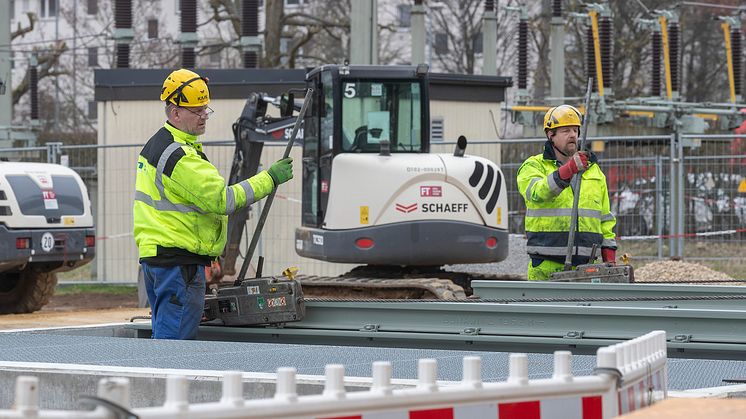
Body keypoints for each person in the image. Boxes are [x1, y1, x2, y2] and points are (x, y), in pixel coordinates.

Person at [133, 69, 293, 339]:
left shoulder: (161, 144)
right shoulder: (180, 156)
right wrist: (269, 178)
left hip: (162, 260)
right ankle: (169, 382)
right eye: (197, 111)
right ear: (175, 112)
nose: (204, 116)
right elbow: (223, 200)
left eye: (206, 109)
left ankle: (161, 379)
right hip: (178, 264)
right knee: (175, 345)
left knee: (165, 336)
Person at [516, 104, 617, 280]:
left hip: (587, 268)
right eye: (565, 131)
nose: (572, 135)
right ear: (550, 135)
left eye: (575, 130)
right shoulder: (533, 166)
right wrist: (567, 170)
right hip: (546, 266)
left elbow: (605, 218)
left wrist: (609, 256)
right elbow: (536, 194)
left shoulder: (594, 171)